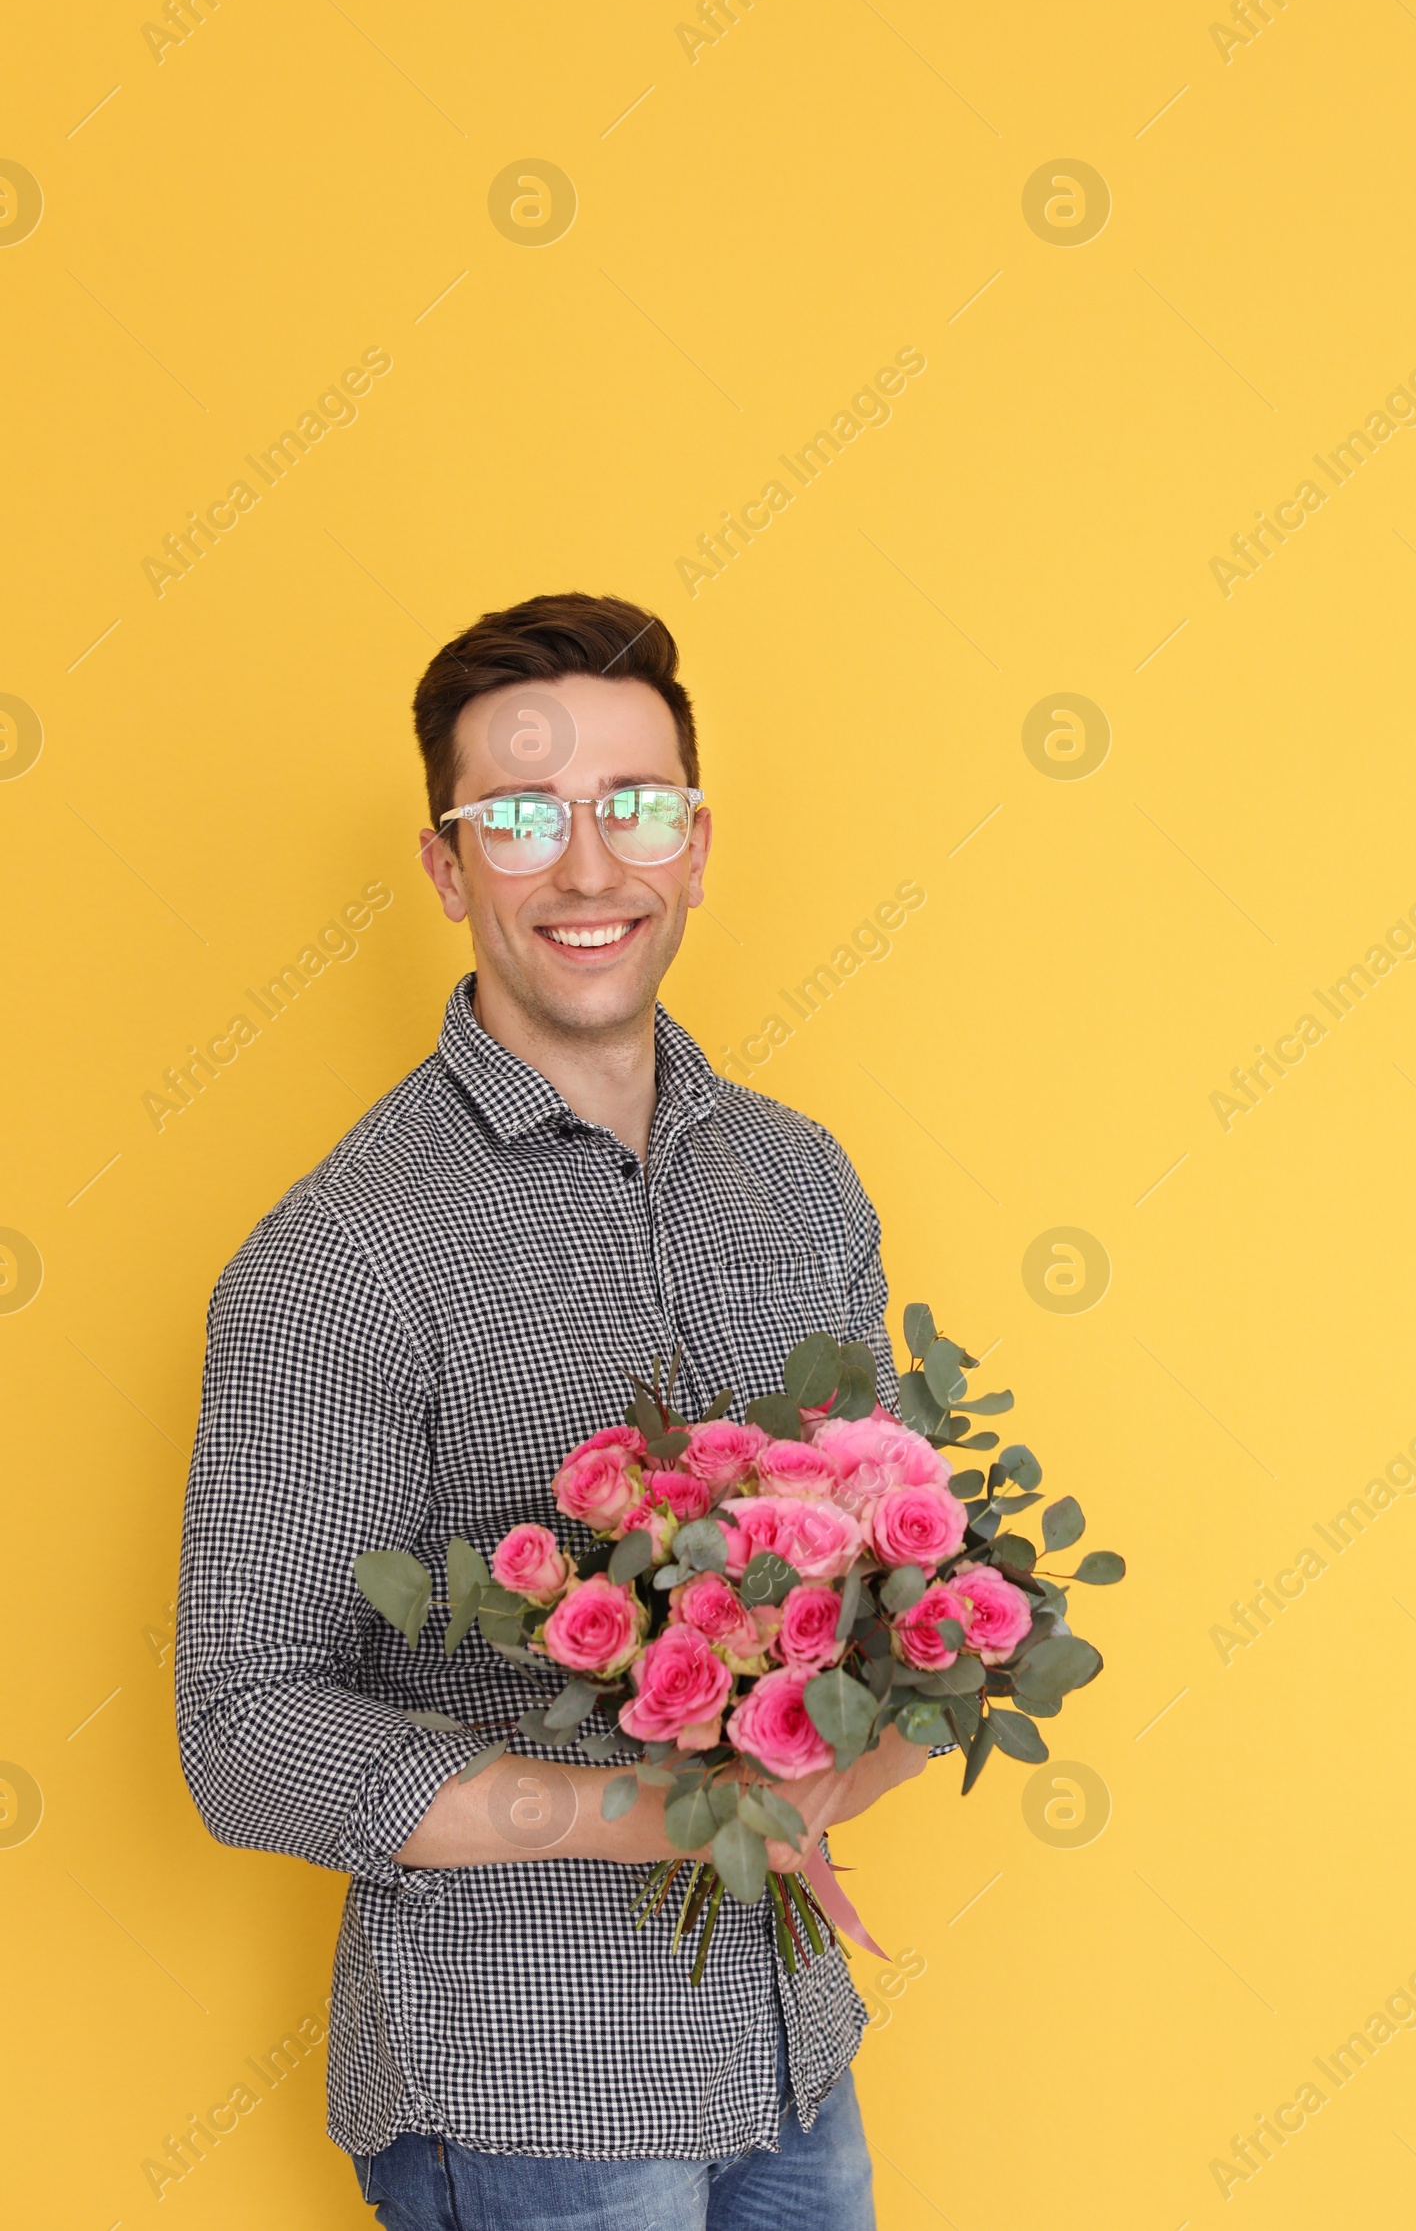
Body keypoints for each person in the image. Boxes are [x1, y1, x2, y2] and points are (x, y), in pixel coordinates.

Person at [174, 592, 927, 2229]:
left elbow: (895, 1596)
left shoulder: (799, 1180)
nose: (589, 869)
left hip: (791, 2051)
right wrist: (650, 1814)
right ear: (448, 870)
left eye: (633, 805)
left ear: (699, 842)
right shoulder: (343, 1256)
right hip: (533, 2095)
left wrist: (846, 1759)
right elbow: (242, 1726)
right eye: (519, 817)